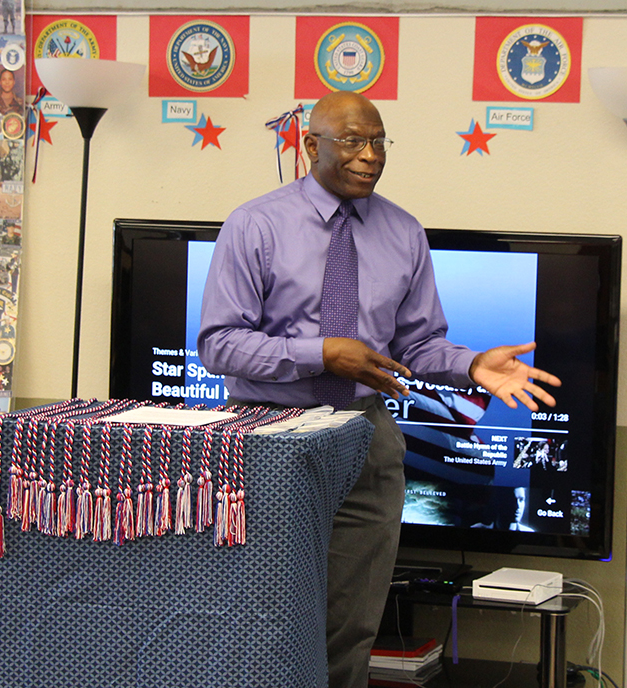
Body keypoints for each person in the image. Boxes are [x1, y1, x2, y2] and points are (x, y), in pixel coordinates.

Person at [197, 91, 560, 688]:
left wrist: (473, 366)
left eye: (379, 141)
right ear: (311, 145)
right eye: (353, 141)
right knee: (259, 619)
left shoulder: (404, 232)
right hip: (269, 436)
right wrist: (321, 353)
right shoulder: (255, 224)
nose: (370, 156)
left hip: (366, 438)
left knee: (350, 625)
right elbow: (219, 344)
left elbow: (418, 347)